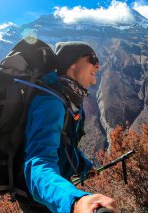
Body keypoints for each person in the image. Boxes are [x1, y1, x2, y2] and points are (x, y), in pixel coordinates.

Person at [21, 41, 120, 213]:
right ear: (72, 63)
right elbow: (37, 163)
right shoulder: (50, 102)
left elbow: (66, 146)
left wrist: (85, 167)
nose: (98, 64)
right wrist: (75, 202)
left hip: (55, 195)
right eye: (92, 59)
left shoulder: (70, 100)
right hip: (46, 201)